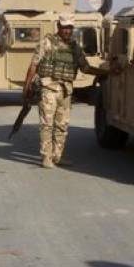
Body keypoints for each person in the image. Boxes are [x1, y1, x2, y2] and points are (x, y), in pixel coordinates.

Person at [23, 13, 115, 169]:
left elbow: (85, 68)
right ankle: (46, 157)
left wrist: (107, 72)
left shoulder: (74, 48)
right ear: (59, 27)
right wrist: (26, 87)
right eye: (64, 27)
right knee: (47, 124)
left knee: (62, 125)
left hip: (66, 90)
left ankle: (57, 156)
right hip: (49, 88)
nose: (67, 30)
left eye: (70, 28)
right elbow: (33, 65)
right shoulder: (46, 43)